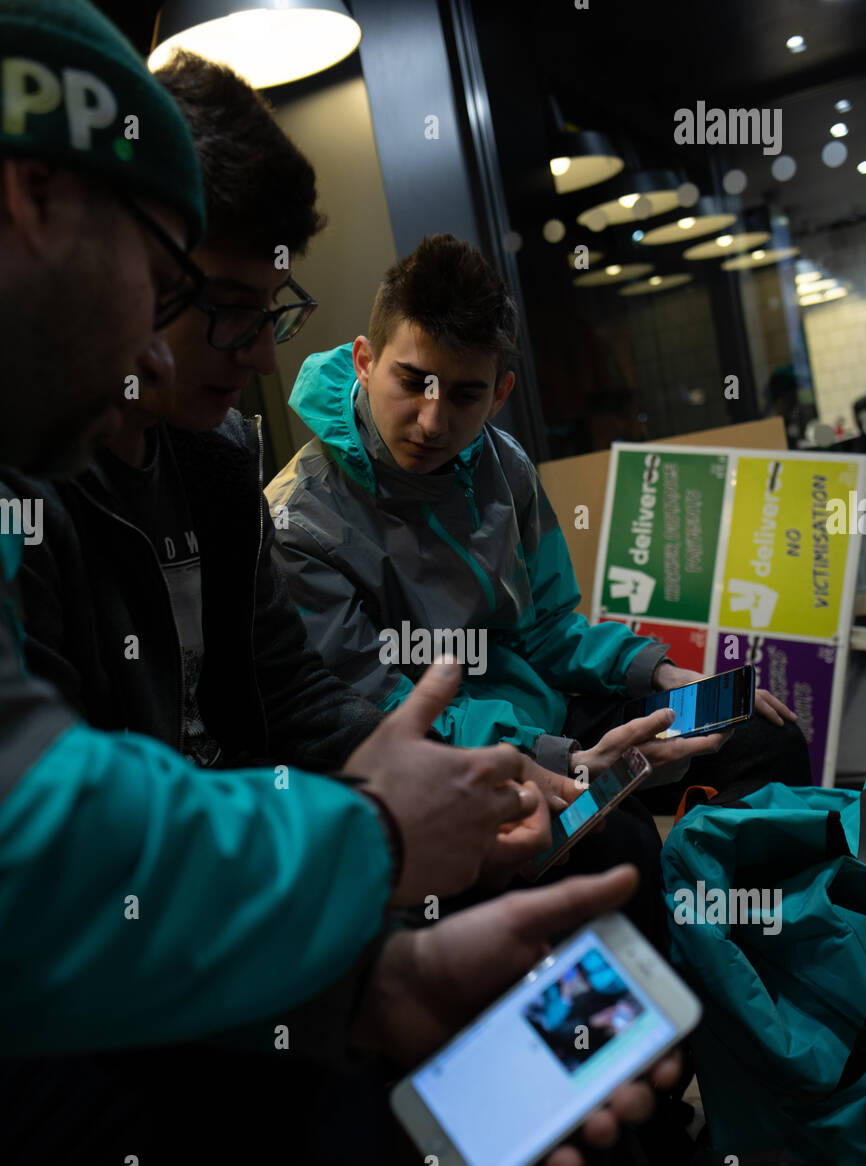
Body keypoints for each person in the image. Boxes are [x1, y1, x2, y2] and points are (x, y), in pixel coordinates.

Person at [0, 0, 678, 1166]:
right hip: (108, 980)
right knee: (312, 1108)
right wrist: (373, 840)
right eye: (192, 297)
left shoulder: (208, 465)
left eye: (258, 309)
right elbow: (53, 838)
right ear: (35, 196)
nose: (189, 347)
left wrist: (443, 832)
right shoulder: (187, 492)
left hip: (208, 885)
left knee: (543, 921)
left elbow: (309, 711)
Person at [265, 233, 811, 809]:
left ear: (499, 394)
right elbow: (379, 709)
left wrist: (656, 672)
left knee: (762, 739)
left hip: (551, 713)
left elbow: (546, 627)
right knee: (614, 840)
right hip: (443, 761)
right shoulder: (298, 525)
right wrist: (561, 762)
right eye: (412, 383)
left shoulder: (506, 467)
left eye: (463, 396)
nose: (431, 422)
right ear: (365, 362)